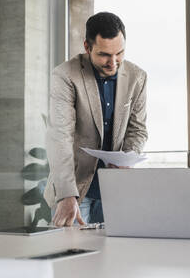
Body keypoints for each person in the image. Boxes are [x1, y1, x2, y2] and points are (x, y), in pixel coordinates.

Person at [43, 12, 148, 227]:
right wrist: (65, 195)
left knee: (114, 255)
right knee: (72, 254)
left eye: (120, 53)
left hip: (114, 187)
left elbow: (138, 130)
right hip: (75, 187)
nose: (113, 62)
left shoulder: (137, 77)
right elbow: (60, 137)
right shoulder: (64, 76)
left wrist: (128, 158)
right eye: (104, 55)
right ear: (87, 47)